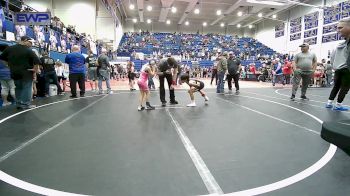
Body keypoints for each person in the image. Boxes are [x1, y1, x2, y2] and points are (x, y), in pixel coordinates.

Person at [0, 36, 41, 109]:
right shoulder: (28, 50)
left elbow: (2, 58)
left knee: (17, 88)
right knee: (27, 88)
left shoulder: (10, 48)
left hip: (14, 72)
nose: (31, 45)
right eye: (30, 42)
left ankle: (18, 103)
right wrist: (35, 69)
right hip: (26, 73)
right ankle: (25, 104)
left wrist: (8, 65)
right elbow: (37, 61)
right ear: (25, 40)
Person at [325, 18, 350, 111]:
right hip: (346, 69)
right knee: (345, 87)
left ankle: (329, 103)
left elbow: (332, 58)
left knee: (336, 86)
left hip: (338, 69)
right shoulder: (344, 44)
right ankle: (338, 105)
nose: (338, 30)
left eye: (340, 28)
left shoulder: (339, 45)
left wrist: (335, 66)